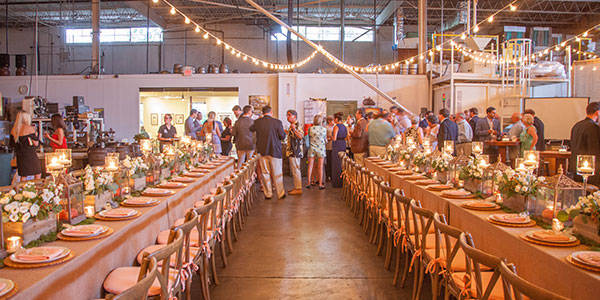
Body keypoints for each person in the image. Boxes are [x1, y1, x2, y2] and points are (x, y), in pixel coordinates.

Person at [250, 106, 286, 199]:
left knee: (265, 173)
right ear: (271, 112)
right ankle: (280, 193)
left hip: (262, 151)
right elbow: (282, 136)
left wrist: (258, 119)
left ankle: (268, 193)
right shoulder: (277, 122)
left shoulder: (258, 122)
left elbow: (251, 129)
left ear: (263, 112)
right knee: (277, 173)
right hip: (275, 151)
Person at [570, 102, 600, 184]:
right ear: (597, 112)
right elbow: (595, 150)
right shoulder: (594, 128)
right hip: (590, 170)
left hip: (575, 167)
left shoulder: (576, 126)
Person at [10, 111, 41, 183]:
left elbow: (12, 144)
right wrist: (36, 134)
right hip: (30, 154)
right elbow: (36, 143)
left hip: (20, 155)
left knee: (24, 175)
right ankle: (36, 190)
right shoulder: (30, 128)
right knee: (37, 173)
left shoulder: (14, 130)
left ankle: (23, 191)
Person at [285, 110, 304, 195]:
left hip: (296, 151)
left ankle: (298, 188)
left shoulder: (297, 125)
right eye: (287, 115)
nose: (287, 117)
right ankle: (296, 186)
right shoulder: (291, 126)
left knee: (296, 169)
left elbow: (300, 136)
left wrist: (294, 129)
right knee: (294, 170)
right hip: (292, 151)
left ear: (294, 116)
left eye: (289, 115)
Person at [306, 114, 327, 189]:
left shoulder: (310, 129)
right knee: (320, 167)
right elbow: (326, 140)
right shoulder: (324, 129)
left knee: (310, 166)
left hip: (312, 148)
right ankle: (320, 184)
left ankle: (308, 183)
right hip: (321, 149)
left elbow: (307, 138)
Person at [331, 112, 347, 188]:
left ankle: (337, 182)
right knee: (342, 162)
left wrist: (329, 137)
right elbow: (347, 137)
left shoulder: (336, 127)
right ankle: (342, 180)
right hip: (343, 144)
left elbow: (334, 138)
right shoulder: (344, 126)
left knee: (336, 163)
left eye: (334, 119)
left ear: (336, 119)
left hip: (337, 145)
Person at [325, 116, 335, 182]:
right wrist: (330, 138)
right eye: (332, 121)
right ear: (329, 121)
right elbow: (325, 137)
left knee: (333, 162)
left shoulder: (335, 127)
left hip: (334, 146)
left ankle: (332, 176)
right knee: (328, 162)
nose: (333, 122)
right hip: (328, 146)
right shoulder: (326, 128)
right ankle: (327, 176)